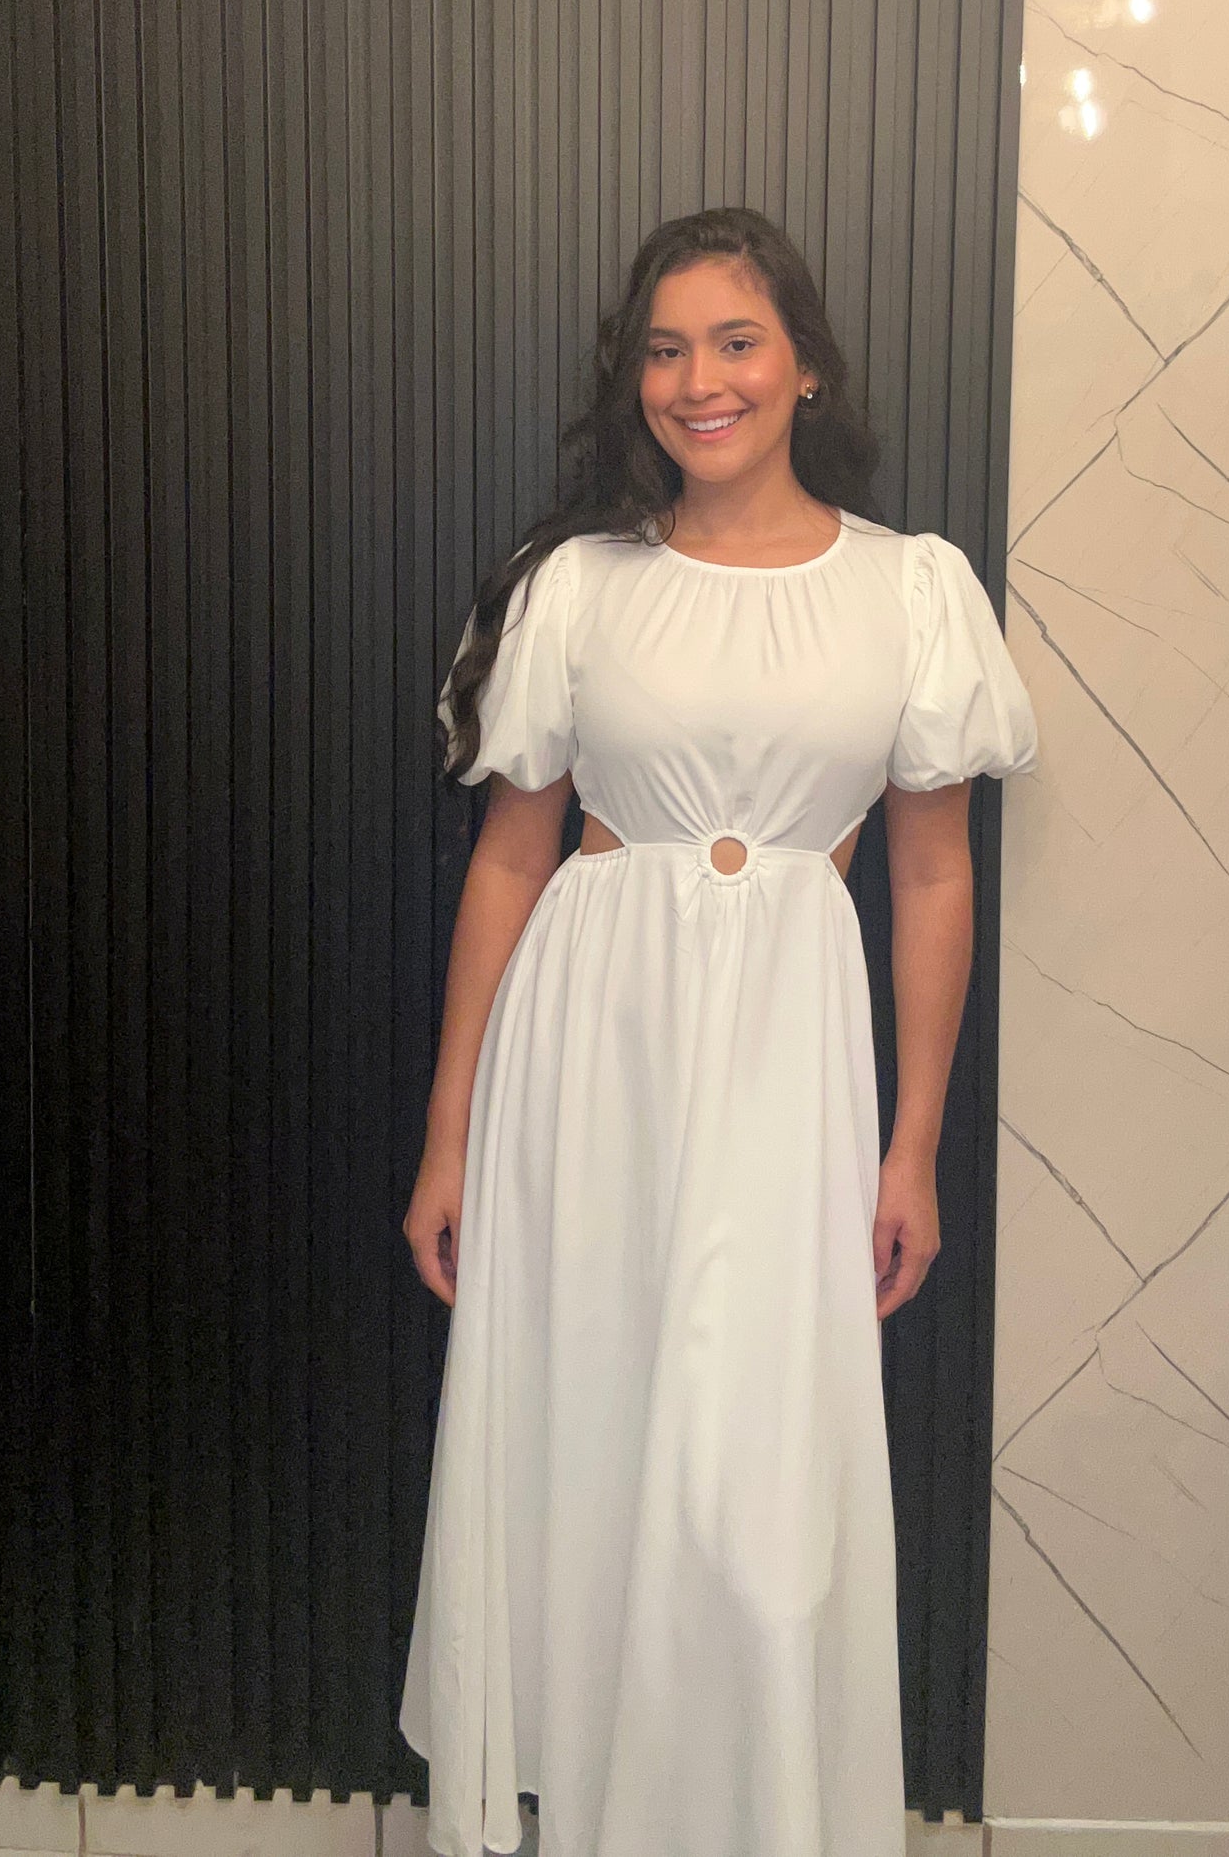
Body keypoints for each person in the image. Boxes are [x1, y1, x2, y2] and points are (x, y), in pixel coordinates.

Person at [397, 206, 1039, 1857]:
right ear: (636, 382)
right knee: (594, 1447)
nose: (701, 381)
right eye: (666, 349)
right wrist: (449, 1136)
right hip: (588, 1051)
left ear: (804, 365)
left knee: (755, 1487)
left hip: (788, 1060)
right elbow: (509, 862)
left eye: (736, 341)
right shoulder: (577, 590)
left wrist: (911, 1145)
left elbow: (936, 879)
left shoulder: (909, 591)